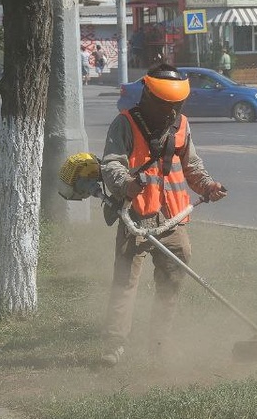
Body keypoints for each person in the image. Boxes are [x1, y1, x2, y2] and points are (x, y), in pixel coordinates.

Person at [98, 64, 229, 366]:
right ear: (149, 97)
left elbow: (191, 165)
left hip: (172, 219)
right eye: (165, 105)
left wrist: (208, 186)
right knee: (125, 283)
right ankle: (114, 346)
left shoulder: (181, 125)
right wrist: (127, 184)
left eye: (176, 105)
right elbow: (111, 164)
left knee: (171, 281)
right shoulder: (125, 123)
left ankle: (159, 344)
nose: (171, 111)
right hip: (136, 218)